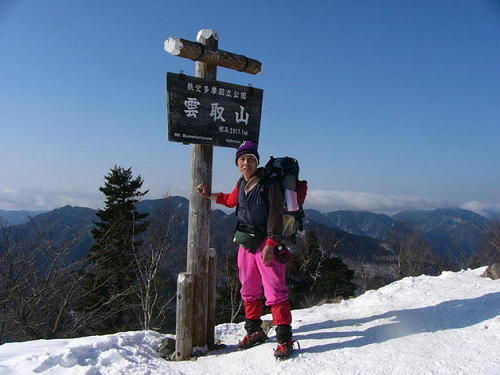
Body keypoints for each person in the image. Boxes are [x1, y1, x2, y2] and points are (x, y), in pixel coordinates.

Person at [196, 140, 294, 359]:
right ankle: (254, 330)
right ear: (237, 163)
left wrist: (271, 244)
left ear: (256, 162)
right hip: (246, 244)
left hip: (267, 244)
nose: (245, 162)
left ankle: (285, 339)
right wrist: (208, 195)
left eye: (250, 159)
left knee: (275, 291)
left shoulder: (269, 184)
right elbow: (231, 201)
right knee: (248, 289)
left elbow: (275, 216)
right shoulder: (241, 183)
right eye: (241, 159)